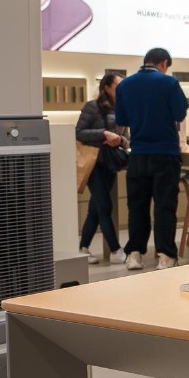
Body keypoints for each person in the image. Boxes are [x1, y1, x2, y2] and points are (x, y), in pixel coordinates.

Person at [116, 48, 188, 270]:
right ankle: (165, 256)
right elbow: (180, 114)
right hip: (165, 154)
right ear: (164, 63)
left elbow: (122, 120)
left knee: (136, 206)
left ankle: (135, 255)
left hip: (137, 155)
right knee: (164, 207)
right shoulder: (169, 83)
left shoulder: (124, 85)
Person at [76, 73, 128, 265]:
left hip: (111, 163)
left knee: (96, 209)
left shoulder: (123, 108)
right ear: (107, 88)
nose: (122, 89)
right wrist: (103, 133)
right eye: (118, 85)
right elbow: (79, 132)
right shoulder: (92, 107)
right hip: (94, 164)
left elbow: (126, 137)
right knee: (105, 207)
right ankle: (115, 250)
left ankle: (83, 248)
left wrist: (120, 140)